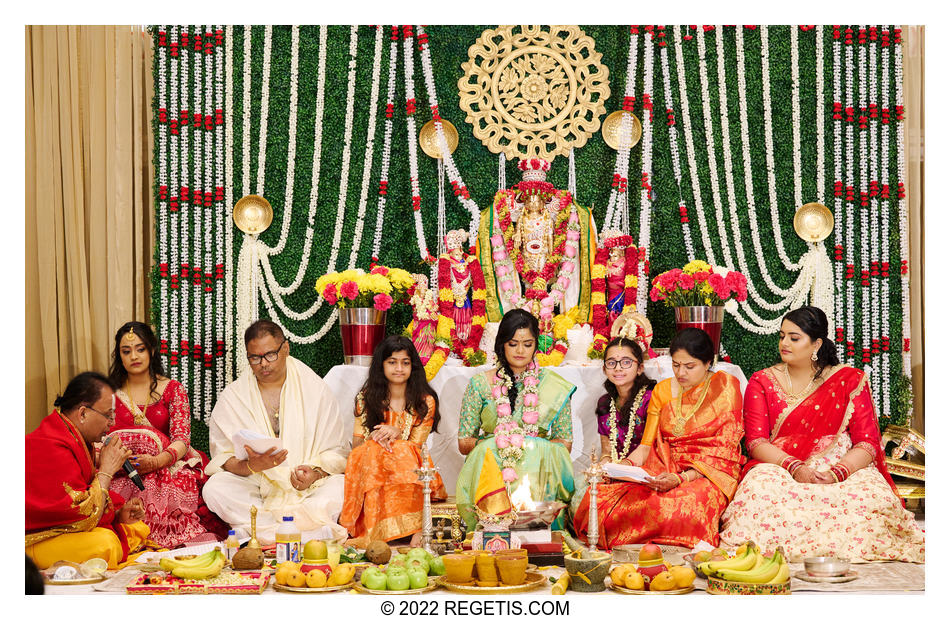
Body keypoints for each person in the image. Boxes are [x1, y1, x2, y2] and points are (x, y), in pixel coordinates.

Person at [719, 307, 925, 561]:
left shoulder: (850, 380)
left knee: (871, 499)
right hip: (781, 465)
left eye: (794, 338)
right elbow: (756, 441)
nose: (784, 343)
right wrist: (795, 467)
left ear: (816, 343)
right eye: (782, 335)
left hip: (841, 466)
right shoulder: (762, 381)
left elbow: (867, 444)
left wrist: (837, 473)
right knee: (760, 493)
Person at [575, 328, 743, 549]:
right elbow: (646, 446)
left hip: (708, 472)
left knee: (689, 504)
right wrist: (622, 468)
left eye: (689, 366)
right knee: (613, 500)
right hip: (663, 465)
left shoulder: (725, 387)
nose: (680, 372)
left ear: (708, 362)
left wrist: (682, 478)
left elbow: (725, 447)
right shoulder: (663, 390)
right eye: (675, 365)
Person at [202, 320, 349, 543]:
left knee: (341, 486)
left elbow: (336, 451)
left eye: (270, 354)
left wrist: (315, 473)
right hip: (258, 489)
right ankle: (307, 533)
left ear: (286, 348)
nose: (263, 364)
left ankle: (257, 533)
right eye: (255, 358)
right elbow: (223, 459)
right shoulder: (234, 397)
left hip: (309, 490)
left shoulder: (315, 389)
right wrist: (251, 466)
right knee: (215, 489)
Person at [107, 321, 226, 547]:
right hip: (121, 469)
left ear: (151, 350)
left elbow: (181, 439)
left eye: (140, 349)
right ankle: (128, 542)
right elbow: (101, 438)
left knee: (160, 484)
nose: (134, 356)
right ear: (119, 356)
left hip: (167, 466)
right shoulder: (109, 394)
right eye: (126, 351)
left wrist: (156, 462)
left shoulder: (172, 389)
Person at [455, 309, 576, 530]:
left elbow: (564, 443)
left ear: (536, 346)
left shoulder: (553, 385)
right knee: (488, 449)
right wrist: (498, 443)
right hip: (493, 472)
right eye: (512, 344)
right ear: (501, 344)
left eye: (527, 344)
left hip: (539, 473)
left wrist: (529, 448)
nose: (520, 350)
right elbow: (464, 443)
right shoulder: (480, 384)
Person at [26, 372, 150, 569]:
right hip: (33, 540)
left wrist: (118, 514)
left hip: (65, 529)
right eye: (108, 415)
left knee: (135, 528)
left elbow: (83, 496)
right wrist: (107, 469)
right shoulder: (49, 443)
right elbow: (79, 513)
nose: (111, 423)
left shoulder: (74, 436)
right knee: (106, 544)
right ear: (83, 413)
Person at [340, 336, 447, 546]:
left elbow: (416, 447)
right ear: (381, 365)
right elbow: (357, 447)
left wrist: (396, 432)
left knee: (402, 451)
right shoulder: (366, 398)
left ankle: (415, 527)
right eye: (392, 362)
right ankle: (374, 531)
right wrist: (376, 439)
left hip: (411, 465)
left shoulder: (425, 401)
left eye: (405, 362)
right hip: (372, 463)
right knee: (372, 451)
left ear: (412, 366)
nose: (399, 368)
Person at [570, 337, 655, 544]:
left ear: (640, 367)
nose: (618, 368)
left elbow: (652, 445)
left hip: (645, 469)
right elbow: (607, 450)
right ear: (605, 368)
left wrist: (625, 468)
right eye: (611, 362)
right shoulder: (605, 402)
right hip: (615, 469)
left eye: (626, 362)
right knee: (580, 496)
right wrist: (604, 467)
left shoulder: (651, 398)